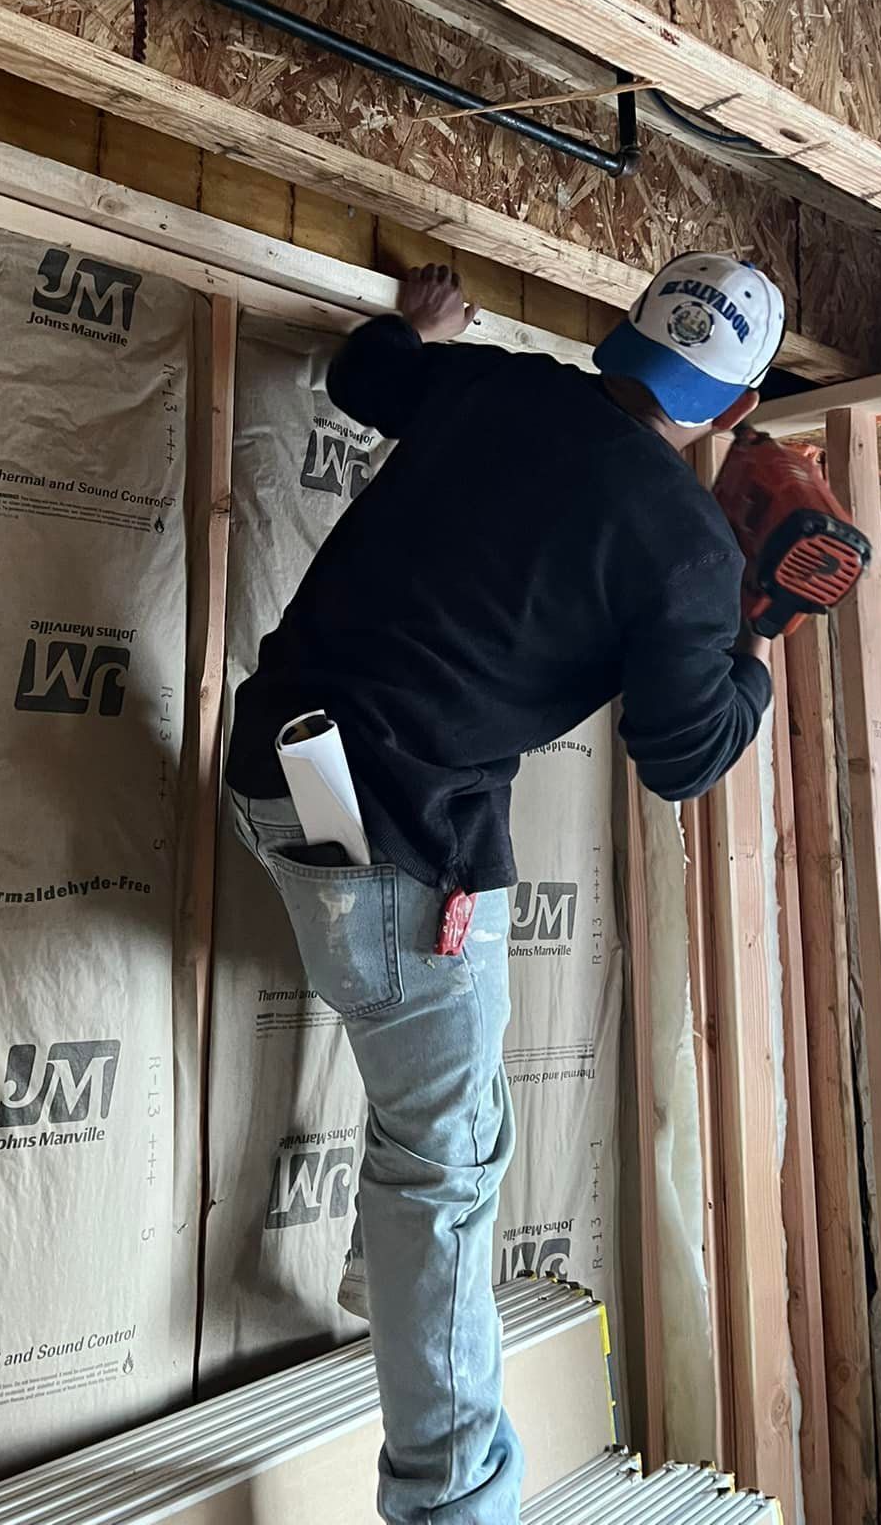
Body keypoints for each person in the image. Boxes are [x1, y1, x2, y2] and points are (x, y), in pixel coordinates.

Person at [225, 251, 783, 1525]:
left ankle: (386, 1285)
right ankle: (455, 1505)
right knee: (447, 1166)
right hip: (392, 851)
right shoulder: (691, 553)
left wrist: (417, 326)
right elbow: (682, 755)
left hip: (271, 766)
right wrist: (757, 635)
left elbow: (370, 372)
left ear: (620, 334)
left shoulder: (494, 387)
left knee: (432, 1130)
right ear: (736, 411)